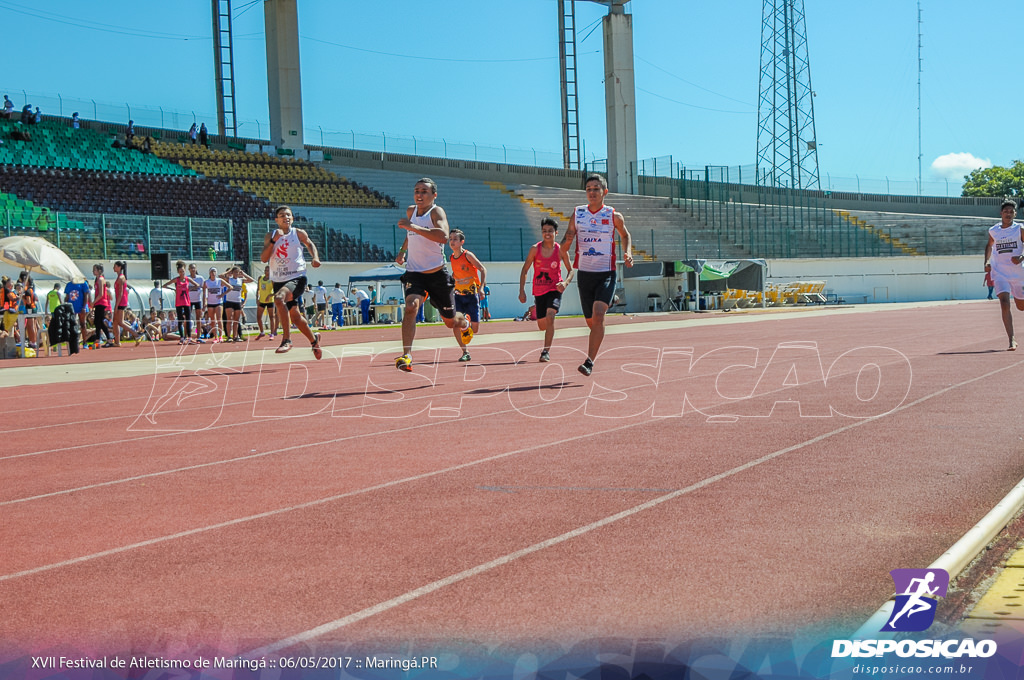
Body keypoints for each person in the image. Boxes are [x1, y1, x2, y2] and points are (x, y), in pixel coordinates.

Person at [393, 177, 474, 372]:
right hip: (414, 273)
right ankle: (407, 355)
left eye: (424, 191)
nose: (419, 194)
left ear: (433, 195)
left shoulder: (436, 212)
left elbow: (443, 236)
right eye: (417, 191)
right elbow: (410, 235)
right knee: (411, 307)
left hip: (437, 274)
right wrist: (402, 251)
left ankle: (464, 322)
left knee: (450, 322)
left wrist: (413, 227)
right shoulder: (411, 211)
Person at [560, 173, 633, 376]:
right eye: (588, 189)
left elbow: (625, 235)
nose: (592, 192)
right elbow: (568, 236)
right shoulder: (577, 213)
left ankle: (589, 361)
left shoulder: (613, 216)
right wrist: (564, 246)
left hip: (606, 272)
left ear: (604, 192)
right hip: (585, 274)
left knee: (598, 315)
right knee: (592, 322)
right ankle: (609, 300)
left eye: (596, 189)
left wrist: (628, 252)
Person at [259, 205, 323, 359]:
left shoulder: (298, 233)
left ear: (292, 218)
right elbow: (263, 258)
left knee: (279, 298)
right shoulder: (271, 235)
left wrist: (315, 257)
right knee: (294, 316)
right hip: (279, 279)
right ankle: (314, 341)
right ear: (276, 220)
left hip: (297, 277)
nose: (285, 217)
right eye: (282, 215)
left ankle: (286, 340)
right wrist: (274, 241)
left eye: (288, 215)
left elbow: (310, 244)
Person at [519, 217, 575, 362]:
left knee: (551, 316)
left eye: (550, 231)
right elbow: (525, 270)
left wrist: (565, 283)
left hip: (555, 288)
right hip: (539, 290)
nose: (547, 233)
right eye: (544, 231)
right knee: (542, 325)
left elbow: (571, 270)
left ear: (556, 233)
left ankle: (545, 351)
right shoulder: (534, 249)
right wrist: (522, 291)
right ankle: (537, 308)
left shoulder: (561, 250)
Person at [984, 199, 1024, 351]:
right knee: (1004, 303)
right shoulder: (994, 230)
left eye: (1011, 211)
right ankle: (1011, 339)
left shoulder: (1019, 229)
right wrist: (987, 262)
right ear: (1001, 213)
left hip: (1018, 273)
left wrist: (1021, 257)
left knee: (1021, 306)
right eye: (1005, 211)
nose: (1008, 214)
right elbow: (989, 245)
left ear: (1015, 213)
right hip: (1000, 272)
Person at [447, 228, 487, 362]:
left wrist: (481, 288)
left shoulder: (467, 255)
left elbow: (482, 269)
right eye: (450, 239)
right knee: (455, 323)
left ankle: (467, 322)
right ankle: (465, 351)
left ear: (461, 242)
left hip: (471, 295)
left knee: (474, 330)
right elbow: (457, 273)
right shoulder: (451, 257)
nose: (452, 241)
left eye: (455, 239)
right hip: (458, 295)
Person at [162, 261, 203, 344]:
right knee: (180, 320)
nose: (182, 273)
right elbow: (165, 285)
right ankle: (182, 338)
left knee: (188, 320)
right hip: (179, 303)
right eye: (180, 272)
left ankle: (189, 338)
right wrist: (174, 290)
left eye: (183, 271)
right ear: (178, 272)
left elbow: (197, 285)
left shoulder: (188, 279)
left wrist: (189, 289)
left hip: (187, 302)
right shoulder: (176, 280)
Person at [220, 266, 254, 342]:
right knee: (229, 319)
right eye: (235, 272)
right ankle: (229, 336)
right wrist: (228, 272)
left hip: (237, 301)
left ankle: (235, 336)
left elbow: (251, 280)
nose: (236, 274)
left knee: (236, 320)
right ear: (232, 273)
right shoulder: (229, 280)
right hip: (229, 301)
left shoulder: (240, 280)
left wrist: (244, 274)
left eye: (237, 272)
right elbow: (220, 276)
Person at [111, 260, 141, 346]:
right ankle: (117, 342)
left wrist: (116, 306)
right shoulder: (120, 277)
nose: (113, 268)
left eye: (115, 266)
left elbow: (120, 293)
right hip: (120, 301)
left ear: (119, 267)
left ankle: (136, 334)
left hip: (121, 301)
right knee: (115, 322)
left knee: (120, 322)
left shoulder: (121, 278)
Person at [92, 264, 114, 347]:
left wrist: (94, 302)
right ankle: (100, 338)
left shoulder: (101, 279)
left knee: (99, 321)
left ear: (99, 271)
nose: (93, 271)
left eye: (95, 270)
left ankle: (104, 339)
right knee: (98, 321)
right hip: (98, 302)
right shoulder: (97, 280)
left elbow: (101, 293)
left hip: (101, 302)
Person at [63, 277, 91, 344]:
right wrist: (65, 306)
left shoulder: (83, 283)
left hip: (81, 307)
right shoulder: (69, 285)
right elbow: (67, 297)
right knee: (72, 324)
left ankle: (85, 342)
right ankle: (73, 341)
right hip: (72, 307)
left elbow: (86, 295)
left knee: (83, 324)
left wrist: (84, 307)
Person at [255, 265, 277, 340]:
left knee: (271, 317)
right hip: (262, 300)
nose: (266, 271)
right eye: (265, 270)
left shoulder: (272, 279)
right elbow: (258, 289)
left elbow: (276, 290)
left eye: (268, 270)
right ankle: (262, 332)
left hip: (270, 300)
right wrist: (257, 298)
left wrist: (270, 295)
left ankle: (272, 333)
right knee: (258, 317)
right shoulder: (260, 278)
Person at [204, 266, 225, 342]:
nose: (213, 273)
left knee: (219, 319)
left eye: (214, 272)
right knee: (213, 320)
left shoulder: (219, 281)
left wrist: (222, 295)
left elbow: (230, 287)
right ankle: (215, 337)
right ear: (209, 273)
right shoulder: (207, 282)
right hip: (210, 303)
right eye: (212, 272)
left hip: (218, 302)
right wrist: (205, 303)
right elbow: (204, 293)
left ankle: (221, 336)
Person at [187, 263, 205, 341]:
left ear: (196, 269)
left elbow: (204, 290)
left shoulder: (200, 278)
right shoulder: (187, 278)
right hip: (189, 301)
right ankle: (187, 336)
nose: (193, 270)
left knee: (198, 318)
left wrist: (205, 302)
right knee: (187, 319)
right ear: (189, 269)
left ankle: (198, 336)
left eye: (194, 268)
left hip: (198, 300)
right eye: (191, 268)